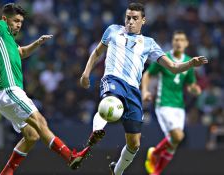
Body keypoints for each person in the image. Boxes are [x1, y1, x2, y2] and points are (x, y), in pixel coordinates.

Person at [78, 3, 208, 175]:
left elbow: (173, 67)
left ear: (143, 21)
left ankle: (116, 172)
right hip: (113, 79)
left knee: (135, 144)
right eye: (128, 18)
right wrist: (86, 73)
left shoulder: (149, 44)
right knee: (110, 101)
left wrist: (191, 63)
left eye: (135, 18)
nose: (130, 22)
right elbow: (96, 52)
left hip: (133, 90)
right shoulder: (112, 30)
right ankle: (96, 131)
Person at [0, 3, 89, 175]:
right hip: (9, 89)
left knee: (32, 134)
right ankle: (69, 156)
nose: (19, 25)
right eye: (16, 21)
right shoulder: (0, 27)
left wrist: (38, 42)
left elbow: (22, 52)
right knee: (41, 122)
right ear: (5, 19)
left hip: (6, 95)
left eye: (21, 22)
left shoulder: (9, 40)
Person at [142, 31, 202, 175]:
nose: (178, 42)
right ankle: (155, 153)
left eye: (182, 40)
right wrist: (145, 91)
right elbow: (148, 74)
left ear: (186, 43)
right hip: (164, 103)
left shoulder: (189, 61)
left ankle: (156, 171)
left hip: (179, 107)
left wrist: (195, 90)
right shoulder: (165, 58)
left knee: (173, 143)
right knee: (178, 136)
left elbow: (191, 85)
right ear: (172, 42)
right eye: (176, 39)